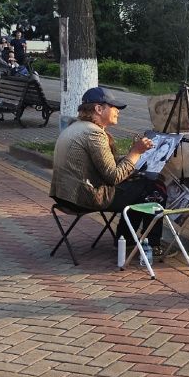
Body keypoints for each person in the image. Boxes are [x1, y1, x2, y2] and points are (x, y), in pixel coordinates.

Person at [51, 88, 165, 253]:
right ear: (98, 109)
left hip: (64, 195)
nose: (117, 111)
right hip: (83, 197)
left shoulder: (76, 126)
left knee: (139, 184)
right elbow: (113, 177)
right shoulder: (93, 134)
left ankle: (126, 238)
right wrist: (136, 153)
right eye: (113, 106)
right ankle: (151, 244)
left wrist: (130, 159)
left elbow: (103, 166)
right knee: (153, 187)